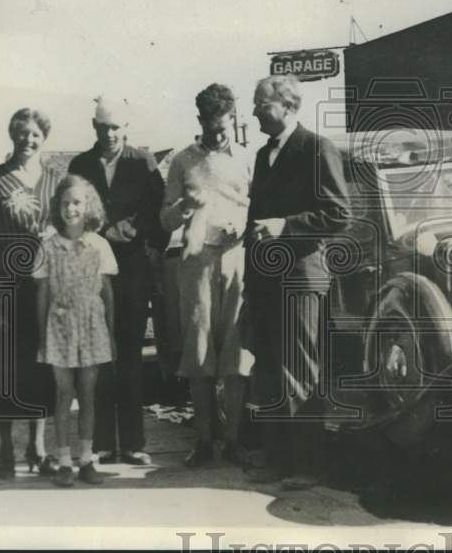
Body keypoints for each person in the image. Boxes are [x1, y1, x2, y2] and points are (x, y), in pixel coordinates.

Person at [243, 74, 350, 489]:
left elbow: (339, 213)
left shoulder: (316, 148)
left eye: (261, 104)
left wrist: (285, 225)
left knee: (299, 370)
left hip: (302, 277)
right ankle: (277, 459)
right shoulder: (262, 155)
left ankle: (306, 466)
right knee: (270, 367)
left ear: (287, 106)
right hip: (266, 279)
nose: (253, 111)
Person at [69, 96, 169, 465]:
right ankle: (101, 444)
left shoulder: (143, 162)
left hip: (132, 271)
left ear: (126, 128)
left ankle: (132, 444)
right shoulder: (80, 165)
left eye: (116, 127)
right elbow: (71, 213)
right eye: (103, 127)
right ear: (93, 127)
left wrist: (135, 231)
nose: (110, 134)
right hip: (91, 272)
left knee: (129, 354)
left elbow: (159, 211)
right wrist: (100, 232)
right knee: (97, 353)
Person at [160, 83, 253, 467]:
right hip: (196, 262)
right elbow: (164, 219)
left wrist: (243, 224)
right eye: (211, 126)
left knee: (236, 352)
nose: (218, 133)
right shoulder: (182, 162)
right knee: (198, 353)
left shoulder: (247, 159)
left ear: (234, 118)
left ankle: (232, 441)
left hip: (236, 259)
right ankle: (202, 441)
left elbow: (258, 207)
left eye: (224, 125)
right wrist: (184, 205)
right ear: (200, 121)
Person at [0, 108, 63, 479]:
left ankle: (37, 447)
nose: (28, 140)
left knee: (41, 366)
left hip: (45, 287)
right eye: (22, 133)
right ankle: (7, 447)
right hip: (5, 287)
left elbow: (71, 224)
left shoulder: (56, 181)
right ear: (12, 136)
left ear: (45, 137)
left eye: (35, 134)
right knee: (5, 369)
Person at [35, 175, 117, 487]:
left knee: (88, 394)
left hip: (93, 326)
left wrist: (111, 333)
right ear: (58, 206)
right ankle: (64, 461)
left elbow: (108, 292)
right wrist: (42, 335)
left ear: (88, 206)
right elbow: (42, 293)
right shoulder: (48, 246)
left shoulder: (99, 245)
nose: (71, 209)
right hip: (59, 326)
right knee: (63, 393)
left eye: (78, 202)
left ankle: (86, 459)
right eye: (66, 203)